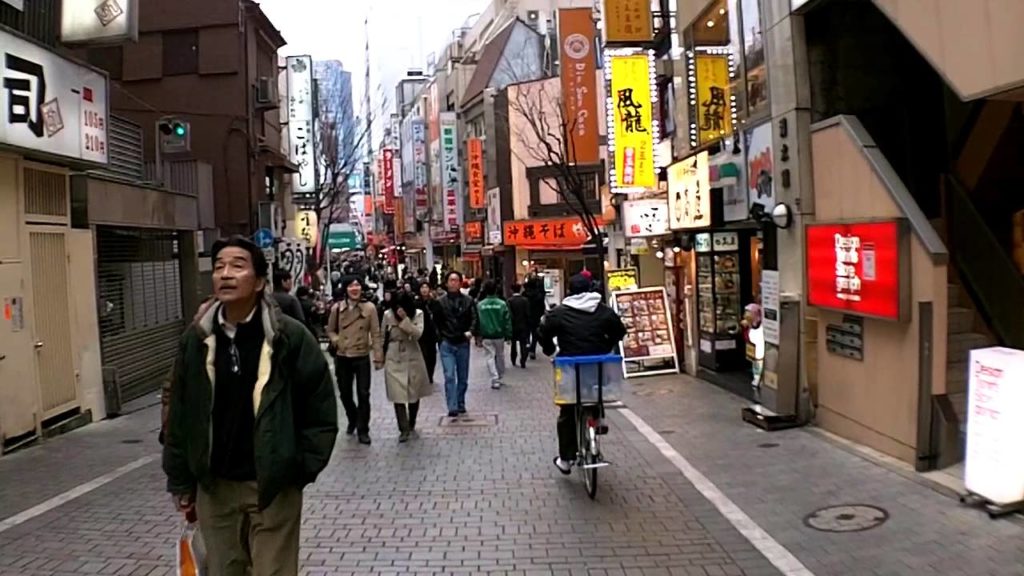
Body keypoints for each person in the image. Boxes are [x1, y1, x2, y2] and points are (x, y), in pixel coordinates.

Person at [163, 236, 337, 576]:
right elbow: (180, 413)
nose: (226, 274)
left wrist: (298, 468)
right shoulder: (197, 340)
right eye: (219, 267)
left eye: (237, 266)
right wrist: (181, 479)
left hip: (272, 486)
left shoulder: (289, 338)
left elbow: (320, 408)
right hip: (215, 488)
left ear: (259, 282)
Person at [539, 273, 626, 475]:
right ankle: (598, 418)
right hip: (597, 364)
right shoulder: (603, 310)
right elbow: (619, 331)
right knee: (595, 391)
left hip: (570, 366)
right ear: (590, 288)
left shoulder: (559, 313)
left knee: (568, 410)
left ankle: (566, 459)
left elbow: (543, 333)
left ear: (570, 290)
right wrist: (606, 346)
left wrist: (551, 351)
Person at [327, 275, 384, 445]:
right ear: (345, 289)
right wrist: (336, 340)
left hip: (362, 355)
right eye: (351, 286)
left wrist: (378, 356)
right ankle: (353, 417)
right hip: (343, 356)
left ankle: (363, 429)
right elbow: (330, 330)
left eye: (357, 285)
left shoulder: (370, 308)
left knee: (363, 394)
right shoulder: (337, 309)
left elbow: (376, 333)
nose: (355, 289)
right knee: (345, 393)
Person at [382, 291, 432, 443]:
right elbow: (382, 335)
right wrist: (379, 355)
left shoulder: (418, 314)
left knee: (413, 392)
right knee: (397, 393)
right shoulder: (387, 315)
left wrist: (405, 320)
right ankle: (403, 428)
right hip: (394, 356)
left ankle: (412, 422)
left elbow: (418, 334)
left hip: (412, 354)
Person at [436, 271, 478, 417]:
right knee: (449, 375)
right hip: (447, 342)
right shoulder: (440, 302)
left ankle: (460, 401)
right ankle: (452, 405)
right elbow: (436, 322)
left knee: (463, 376)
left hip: (462, 342)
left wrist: (471, 331)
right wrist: (440, 338)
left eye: (456, 280)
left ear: (460, 283)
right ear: (446, 283)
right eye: (451, 280)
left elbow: (474, 318)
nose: (453, 283)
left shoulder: (468, 301)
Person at [476, 280, 512, 389]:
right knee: (500, 355)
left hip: (486, 334)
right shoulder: (502, 304)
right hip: (499, 334)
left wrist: (478, 335)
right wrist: (508, 335)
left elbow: (477, 321)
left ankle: (494, 378)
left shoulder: (480, 305)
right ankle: (500, 376)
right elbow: (507, 321)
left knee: (489, 357)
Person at [416, 280, 442, 385]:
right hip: (420, 333)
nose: (424, 290)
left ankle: (430, 375)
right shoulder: (416, 303)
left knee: (432, 355)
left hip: (432, 333)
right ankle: (424, 375)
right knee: (423, 354)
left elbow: (439, 317)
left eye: (426, 287)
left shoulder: (435, 303)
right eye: (422, 287)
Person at [507, 283, 532, 369]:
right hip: (523, 325)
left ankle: (513, 359)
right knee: (523, 343)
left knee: (513, 344)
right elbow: (528, 314)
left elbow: (509, 315)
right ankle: (523, 360)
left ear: (512, 290)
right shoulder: (525, 300)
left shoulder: (509, 301)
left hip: (513, 326)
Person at [524, 274, 547, 359]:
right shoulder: (539, 295)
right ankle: (532, 350)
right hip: (536, 316)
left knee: (526, 332)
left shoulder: (524, 295)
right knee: (535, 334)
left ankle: (527, 344)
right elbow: (542, 306)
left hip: (526, 316)